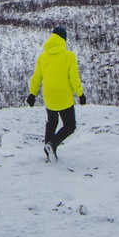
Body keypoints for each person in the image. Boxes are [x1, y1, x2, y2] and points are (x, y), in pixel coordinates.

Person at [26, 26, 86, 161]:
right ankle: (52, 144)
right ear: (63, 40)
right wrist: (80, 94)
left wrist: (32, 94)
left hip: (49, 95)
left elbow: (36, 77)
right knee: (70, 125)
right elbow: (74, 78)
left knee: (52, 122)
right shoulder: (69, 56)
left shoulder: (42, 57)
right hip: (64, 95)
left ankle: (48, 150)